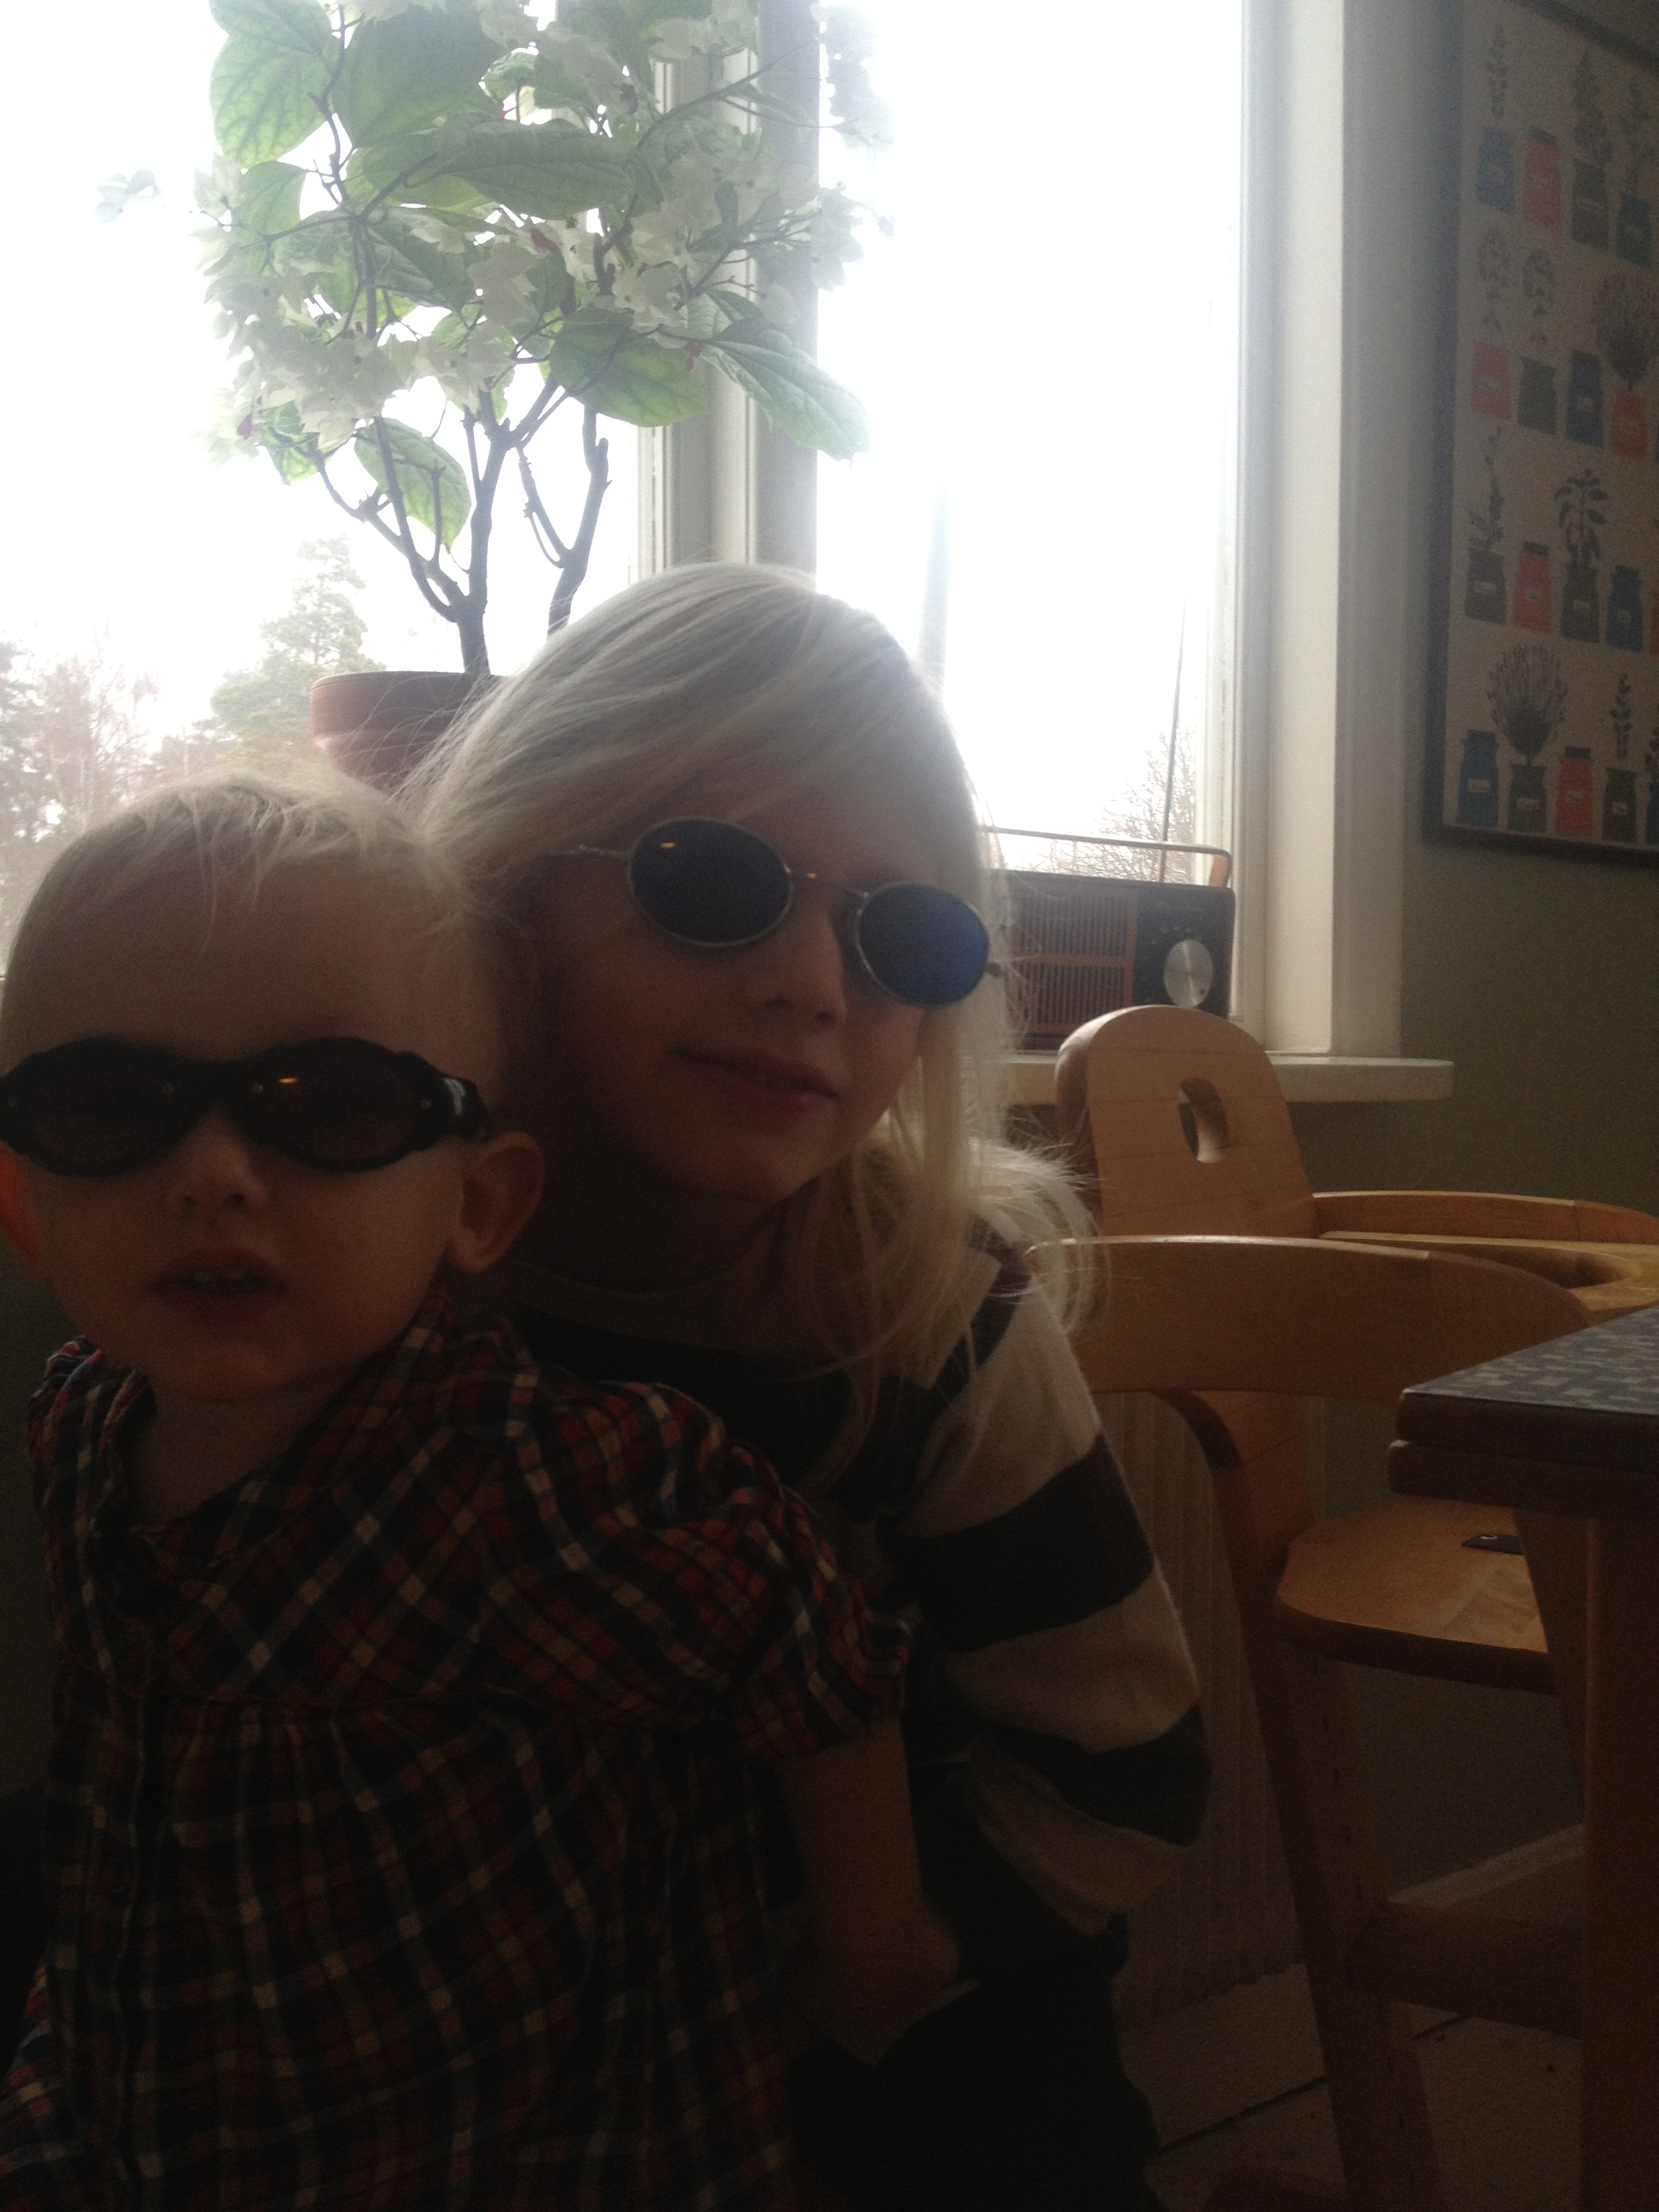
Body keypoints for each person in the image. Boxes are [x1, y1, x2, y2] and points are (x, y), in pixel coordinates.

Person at [0, 773, 956, 2210]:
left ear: (479, 1204)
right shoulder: (78, 1421)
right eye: (105, 1105)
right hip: (139, 2090)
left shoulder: (537, 1482)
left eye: (331, 1105)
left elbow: (802, 1635)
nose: (212, 1175)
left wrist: (873, 1946)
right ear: (23, 1195)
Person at [410, 565, 1211, 2212]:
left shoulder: (931, 1321)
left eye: (899, 936)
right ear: (503, 884)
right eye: (711, 880)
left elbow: (1126, 1766)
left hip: (906, 2043)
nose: (813, 985)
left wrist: (872, 1968)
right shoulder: (376, 1259)